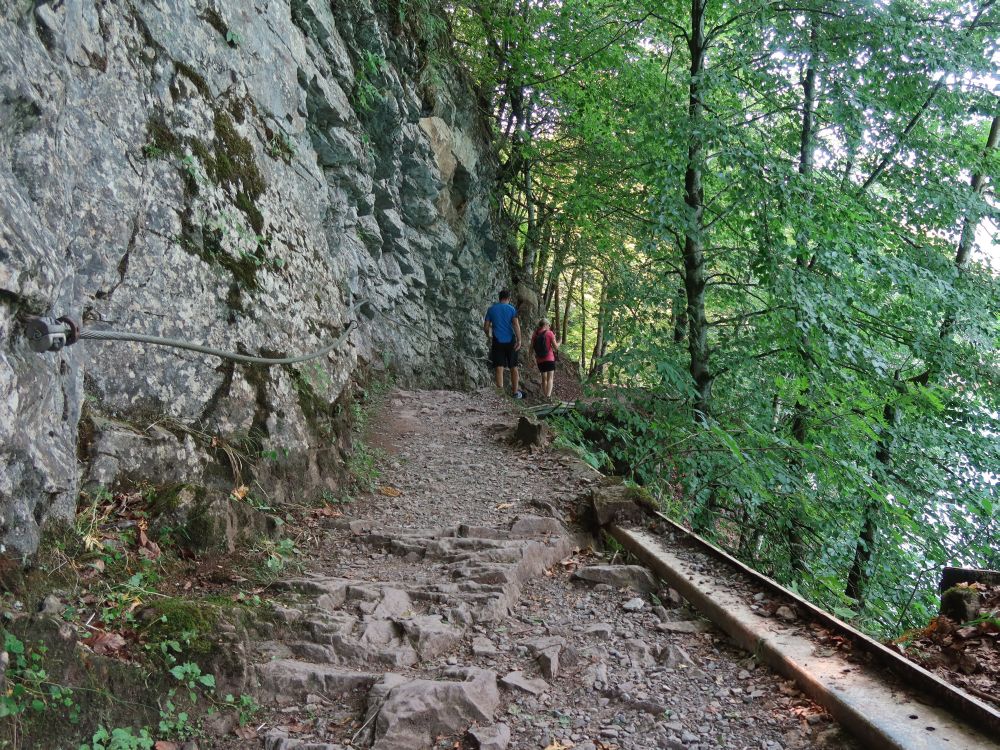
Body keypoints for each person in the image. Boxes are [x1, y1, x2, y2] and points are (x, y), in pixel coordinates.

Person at [483, 290, 523, 398]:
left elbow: (486, 327)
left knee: (499, 367)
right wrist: (519, 340)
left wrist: (488, 335)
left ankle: (500, 393)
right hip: (510, 341)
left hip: (497, 341)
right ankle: (515, 393)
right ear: (508, 298)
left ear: (499, 298)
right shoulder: (512, 309)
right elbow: (515, 324)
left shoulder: (491, 309)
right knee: (513, 366)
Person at [530, 318, 560, 398]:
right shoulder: (549, 333)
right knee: (550, 378)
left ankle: (545, 395)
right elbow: (556, 347)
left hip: (540, 359)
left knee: (544, 378)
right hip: (549, 358)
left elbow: (531, 347)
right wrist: (559, 342)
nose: (549, 327)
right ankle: (548, 396)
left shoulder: (535, 334)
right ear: (546, 325)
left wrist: (530, 358)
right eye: (549, 325)